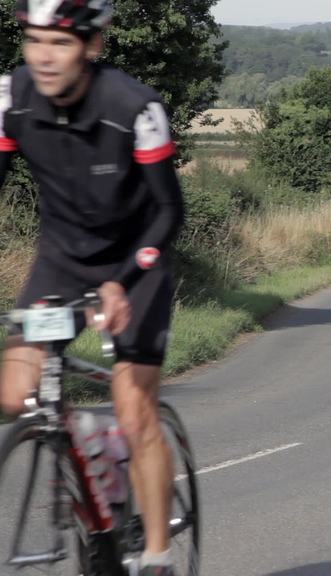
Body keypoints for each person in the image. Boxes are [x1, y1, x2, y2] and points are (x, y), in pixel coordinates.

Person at [0, 1, 184, 574]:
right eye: (34, 41)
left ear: (93, 46)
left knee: (134, 412)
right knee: (13, 395)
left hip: (136, 265)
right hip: (62, 260)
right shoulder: (11, 97)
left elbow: (169, 210)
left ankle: (156, 555)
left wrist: (122, 283)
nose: (43, 57)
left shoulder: (135, 107)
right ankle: (86, 443)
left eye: (60, 43)